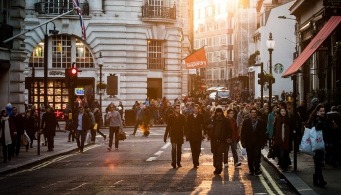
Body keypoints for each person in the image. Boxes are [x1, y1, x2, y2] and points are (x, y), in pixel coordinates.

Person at [241, 107, 267, 176]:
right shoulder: (246, 121)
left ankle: (257, 169)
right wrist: (243, 142)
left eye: (254, 112)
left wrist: (263, 143)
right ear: (250, 113)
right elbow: (243, 132)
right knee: (250, 157)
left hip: (257, 143)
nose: (253, 114)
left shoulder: (260, 122)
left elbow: (263, 133)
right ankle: (251, 170)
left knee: (257, 156)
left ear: (256, 114)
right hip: (249, 143)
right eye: (252, 112)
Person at [307, 104, 328, 187]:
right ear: (317, 111)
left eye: (323, 111)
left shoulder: (324, 118)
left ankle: (315, 180)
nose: (323, 112)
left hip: (322, 143)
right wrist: (319, 120)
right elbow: (316, 128)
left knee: (318, 163)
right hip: (316, 144)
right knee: (318, 163)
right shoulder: (314, 119)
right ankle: (321, 180)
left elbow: (326, 129)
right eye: (321, 111)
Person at [209, 107, 232, 174]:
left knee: (219, 154)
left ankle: (219, 168)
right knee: (215, 153)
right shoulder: (213, 120)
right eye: (217, 112)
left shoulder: (225, 120)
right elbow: (209, 128)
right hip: (214, 140)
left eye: (220, 112)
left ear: (222, 113)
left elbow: (229, 130)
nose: (219, 113)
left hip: (222, 140)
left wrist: (228, 137)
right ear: (215, 113)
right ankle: (216, 165)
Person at [164, 104, 186, 168]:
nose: (178, 109)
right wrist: (165, 136)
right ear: (174, 109)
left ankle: (178, 162)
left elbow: (185, 126)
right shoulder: (171, 117)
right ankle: (174, 162)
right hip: (173, 135)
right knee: (173, 149)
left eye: (179, 108)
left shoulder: (182, 117)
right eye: (176, 108)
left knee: (179, 150)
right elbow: (168, 127)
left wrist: (186, 135)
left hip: (180, 135)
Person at [186, 104, 205, 168]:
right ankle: (195, 162)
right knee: (193, 149)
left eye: (197, 109)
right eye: (195, 108)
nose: (196, 110)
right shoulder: (189, 116)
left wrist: (204, 133)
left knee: (198, 149)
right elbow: (187, 126)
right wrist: (187, 134)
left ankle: (196, 160)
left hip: (198, 135)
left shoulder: (201, 116)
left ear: (198, 109)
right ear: (193, 109)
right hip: (191, 135)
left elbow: (203, 125)